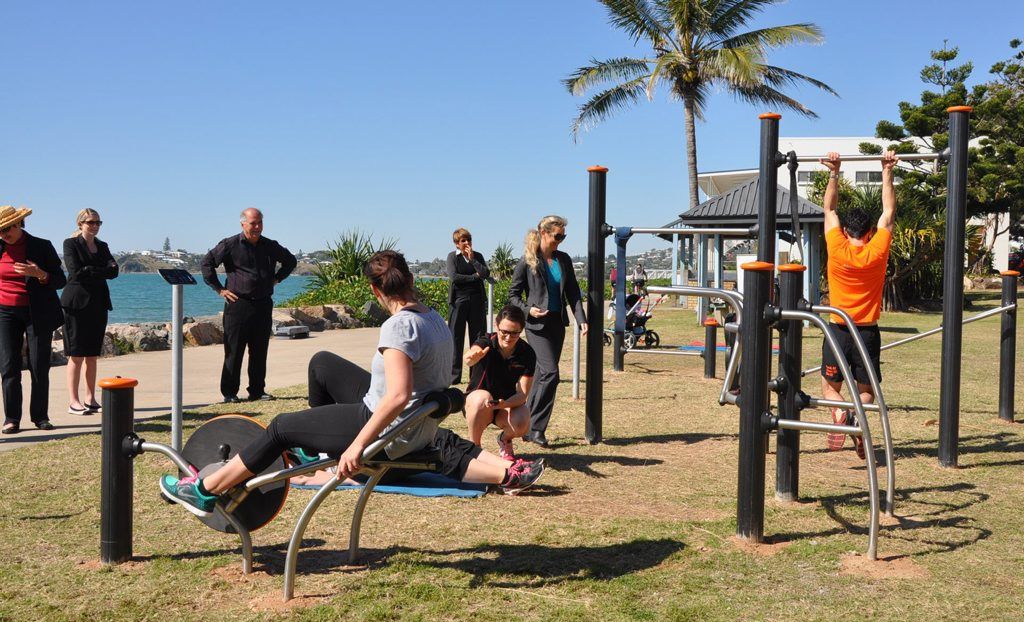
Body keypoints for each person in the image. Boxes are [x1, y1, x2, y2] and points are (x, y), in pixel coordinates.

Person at [160, 251, 544, 516]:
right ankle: (313, 449)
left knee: (279, 427)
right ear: (410, 279)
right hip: (413, 419)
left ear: (376, 291)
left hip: (383, 425)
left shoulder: (399, 326)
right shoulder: (435, 320)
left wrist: (357, 447)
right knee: (323, 363)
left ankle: (206, 490)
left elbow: (394, 397)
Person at [819, 151, 898, 458]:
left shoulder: (836, 247)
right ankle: (856, 416)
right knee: (866, 393)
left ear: (846, 231)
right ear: (868, 232)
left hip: (838, 330)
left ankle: (840, 415)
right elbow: (888, 212)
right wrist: (887, 170)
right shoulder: (877, 250)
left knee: (830, 388)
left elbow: (829, 208)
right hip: (866, 332)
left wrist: (834, 172)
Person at [201, 208, 296, 403]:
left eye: (260, 222)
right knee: (234, 351)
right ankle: (229, 393)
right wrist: (220, 290)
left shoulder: (269, 245)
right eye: (253, 223)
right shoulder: (229, 244)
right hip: (238, 305)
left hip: (262, 304)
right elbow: (206, 264)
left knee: (259, 350)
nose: (257, 227)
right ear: (243, 224)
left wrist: (276, 279)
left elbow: (290, 261)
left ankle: (257, 391)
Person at [509, 215, 587, 448]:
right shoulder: (528, 260)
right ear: (544, 233)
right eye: (557, 236)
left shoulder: (564, 260)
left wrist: (581, 319)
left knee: (543, 375)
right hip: (536, 326)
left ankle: (525, 424)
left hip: (556, 323)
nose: (560, 241)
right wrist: (528, 310)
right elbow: (513, 294)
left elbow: (573, 292)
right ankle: (536, 429)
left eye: (563, 236)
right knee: (552, 374)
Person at [0, 206, 67, 434]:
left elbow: (60, 280)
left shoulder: (41, 246)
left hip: (37, 311)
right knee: (9, 366)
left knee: (39, 365)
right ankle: (11, 418)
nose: (4, 234)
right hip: (5, 312)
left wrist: (40, 274)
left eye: (7, 229)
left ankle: (40, 416)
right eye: (0, 231)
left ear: (19, 224)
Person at [61, 209, 119, 415]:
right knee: (76, 354)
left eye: (98, 222)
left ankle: (90, 398)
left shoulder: (102, 246)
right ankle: (73, 401)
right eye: (90, 222)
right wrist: (101, 270)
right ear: (80, 224)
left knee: (93, 355)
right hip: (76, 304)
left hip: (98, 302)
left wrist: (92, 270)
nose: (94, 226)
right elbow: (76, 271)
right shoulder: (70, 244)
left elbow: (115, 271)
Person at [463, 304, 535, 460]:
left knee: (523, 418)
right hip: (477, 404)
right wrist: (471, 358)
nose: (508, 338)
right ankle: (474, 448)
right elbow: (470, 356)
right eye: (504, 332)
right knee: (482, 398)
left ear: (521, 331)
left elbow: (522, 395)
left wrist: (504, 404)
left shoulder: (527, 353)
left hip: (504, 405)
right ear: (496, 326)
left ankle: (505, 440)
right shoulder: (486, 342)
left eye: (515, 333)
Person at [446, 228, 491, 384]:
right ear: (457, 244)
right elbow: (454, 277)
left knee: (477, 337)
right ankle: (454, 377)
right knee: (455, 337)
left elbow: (485, 273)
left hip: (477, 300)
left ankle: (476, 374)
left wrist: (473, 260)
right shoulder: (452, 257)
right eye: (463, 241)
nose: (467, 243)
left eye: (468, 240)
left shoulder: (477, 256)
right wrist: (474, 277)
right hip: (459, 300)